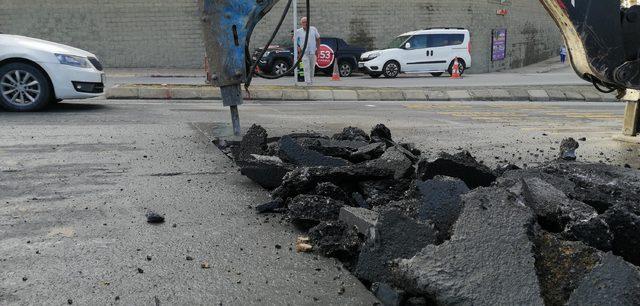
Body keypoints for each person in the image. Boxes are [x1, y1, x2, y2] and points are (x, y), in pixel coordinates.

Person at [294, 17, 321, 86]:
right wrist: (298, 47)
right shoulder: (298, 31)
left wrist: (318, 49)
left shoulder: (313, 29)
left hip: (313, 52)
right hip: (304, 52)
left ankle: (311, 81)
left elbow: (318, 38)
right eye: (303, 22)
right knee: (306, 67)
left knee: (312, 68)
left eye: (306, 22)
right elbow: (294, 39)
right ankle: (308, 82)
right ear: (301, 23)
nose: (304, 23)